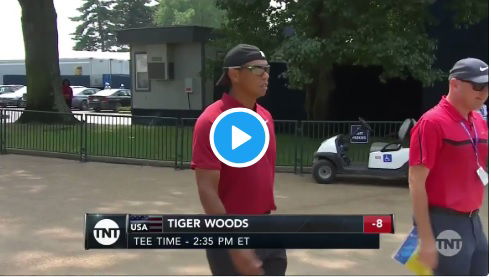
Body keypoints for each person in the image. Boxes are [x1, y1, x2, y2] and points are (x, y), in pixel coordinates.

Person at [191, 44, 287, 275]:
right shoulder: (212, 121)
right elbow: (207, 191)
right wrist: (235, 247)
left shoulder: (265, 117)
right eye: (257, 69)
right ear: (234, 74)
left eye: (267, 69)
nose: (266, 75)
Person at [408, 57, 489, 275]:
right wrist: (425, 238)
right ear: (454, 84)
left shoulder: (479, 121)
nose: (483, 92)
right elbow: (416, 182)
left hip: (474, 221)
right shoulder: (432, 123)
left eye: (488, 86)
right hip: (445, 223)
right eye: (478, 86)